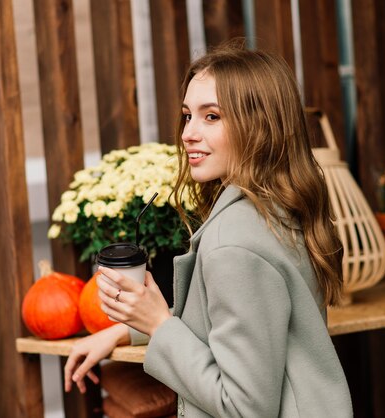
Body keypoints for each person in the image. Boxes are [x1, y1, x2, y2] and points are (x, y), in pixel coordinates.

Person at [64, 43, 353, 417]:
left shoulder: (233, 243)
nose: (188, 134)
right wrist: (130, 330)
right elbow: (247, 331)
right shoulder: (279, 207)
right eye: (187, 116)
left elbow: (244, 408)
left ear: (259, 126)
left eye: (212, 116)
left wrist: (160, 323)